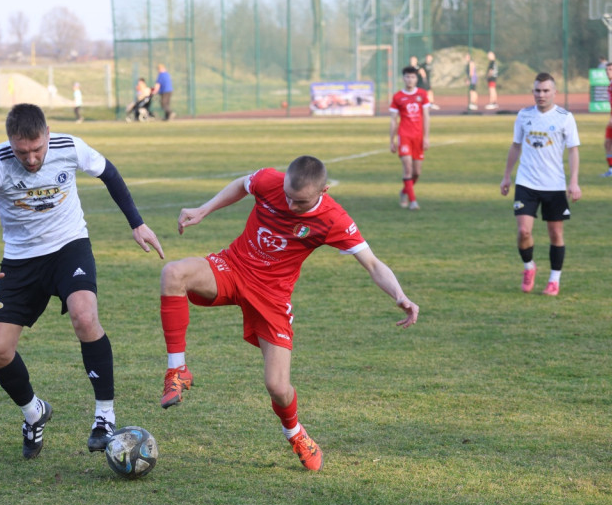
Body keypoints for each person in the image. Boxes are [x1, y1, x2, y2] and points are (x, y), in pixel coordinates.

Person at [158, 156, 419, 472]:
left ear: (323, 190)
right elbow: (242, 184)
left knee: (278, 387)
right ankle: (177, 371)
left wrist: (400, 295)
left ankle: (295, 433)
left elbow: (373, 264)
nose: (291, 205)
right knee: (173, 273)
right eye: (288, 196)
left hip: (272, 297)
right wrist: (204, 209)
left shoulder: (333, 219)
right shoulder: (270, 180)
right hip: (233, 267)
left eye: (300, 202)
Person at [0, 104, 165, 460]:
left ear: (48, 134)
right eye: (23, 152)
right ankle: (33, 412)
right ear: (10, 142)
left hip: (70, 247)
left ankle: (104, 417)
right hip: (21, 261)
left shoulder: (70, 147)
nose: (32, 158)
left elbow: (109, 174)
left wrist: (137, 222)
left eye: (37, 149)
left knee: (85, 317)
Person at [499, 73, 581, 296]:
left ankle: (554, 280)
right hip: (526, 183)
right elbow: (515, 146)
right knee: (524, 231)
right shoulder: (524, 115)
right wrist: (507, 176)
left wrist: (573, 182)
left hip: (554, 185)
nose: (541, 95)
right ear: (533, 91)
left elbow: (573, 150)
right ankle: (529, 267)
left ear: (554, 92)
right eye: (537, 90)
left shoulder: (565, 117)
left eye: (545, 91)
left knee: (555, 234)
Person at [389, 65, 431, 210]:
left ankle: (404, 191)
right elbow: (393, 120)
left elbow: (426, 116)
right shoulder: (398, 97)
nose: (410, 79)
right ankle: (413, 201)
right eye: (407, 76)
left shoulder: (422, 94)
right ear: (403, 78)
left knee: (416, 172)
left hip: (418, 137)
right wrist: (392, 140)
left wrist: (426, 137)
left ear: (416, 78)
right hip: (404, 136)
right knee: (407, 169)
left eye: (413, 77)